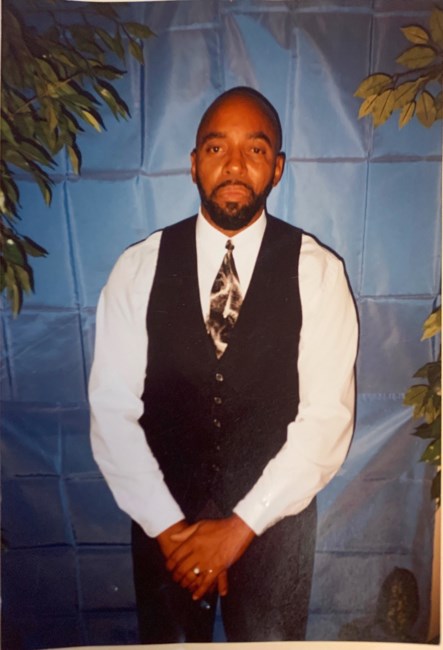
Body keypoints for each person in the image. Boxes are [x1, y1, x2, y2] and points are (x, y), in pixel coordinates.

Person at [89, 86, 358, 643]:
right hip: (166, 530)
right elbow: (112, 412)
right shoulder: (137, 270)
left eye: (255, 150)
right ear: (193, 164)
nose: (235, 165)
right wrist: (170, 531)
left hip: (273, 531)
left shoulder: (319, 273)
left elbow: (326, 422)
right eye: (216, 149)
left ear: (277, 167)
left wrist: (238, 529)